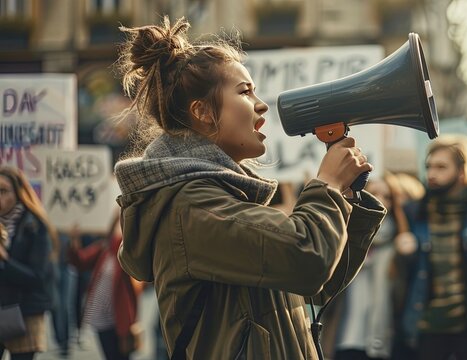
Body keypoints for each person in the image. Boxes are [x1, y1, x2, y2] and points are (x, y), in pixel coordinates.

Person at [113, 17, 385, 359]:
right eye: (244, 91)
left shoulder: (220, 197)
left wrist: (346, 196)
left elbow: (319, 284)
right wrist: (327, 185)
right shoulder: (194, 208)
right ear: (202, 112)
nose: (261, 104)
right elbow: (307, 259)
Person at [402, 134, 467, 360]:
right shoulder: (414, 212)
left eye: (441, 167)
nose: (431, 174)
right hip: (427, 326)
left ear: (462, 171)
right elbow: (404, 277)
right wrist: (402, 254)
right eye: (428, 166)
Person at [321, 173, 412, 360]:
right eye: (374, 193)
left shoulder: (399, 247)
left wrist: (405, 256)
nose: (380, 200)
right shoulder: (344, 242)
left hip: (383, 344)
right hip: (342, 339)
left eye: (387, 196)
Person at [0, 166, 59, 360]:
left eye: (3, 191)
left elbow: (38, 277)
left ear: (18, 193)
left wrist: (5, 260)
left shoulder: (34, 226)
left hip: (25, 313)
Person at [68, 211, 142, 360]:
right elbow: (80, 261)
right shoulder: (105, 247)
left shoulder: (130, 252)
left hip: (120, 318)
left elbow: (140, 281)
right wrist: (74, 240)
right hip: (101, 317)